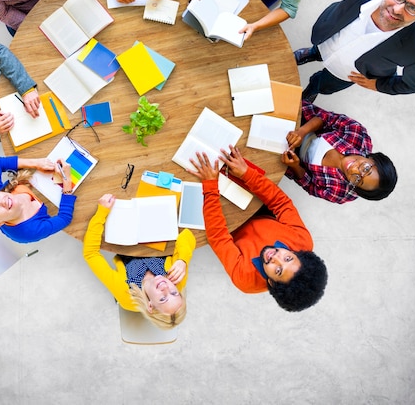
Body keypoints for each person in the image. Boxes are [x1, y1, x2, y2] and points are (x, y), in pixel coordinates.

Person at [188, 147, 327, 312]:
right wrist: (247, 173)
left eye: (278, 270)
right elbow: (280, 203)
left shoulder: (245, 280)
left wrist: (210, 186)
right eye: (288, 258)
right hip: (256, 207)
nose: (275, 257)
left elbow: (218, 236)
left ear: (272, 283)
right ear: (299, 254)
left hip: (225, 222)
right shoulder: (303, 242)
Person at [83, 194, 196, 329]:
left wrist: (101, 213)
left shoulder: (125, 293)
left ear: (150, 305)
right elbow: (186, 235)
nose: (165, 287)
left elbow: (91, 254)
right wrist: (183, 260)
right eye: (173, 293)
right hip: (153, 229)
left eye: (162, 298)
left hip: (123, 236)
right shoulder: (177, 281)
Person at [281, 100, 397, 203]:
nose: (353, 170)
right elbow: (326, 118)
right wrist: (301, 132)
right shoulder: (358, 134)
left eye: (357, 180)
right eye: (366, 168)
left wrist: (295, 166)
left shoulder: (340, 194)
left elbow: (309, 185)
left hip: (285, 157)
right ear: (373, 158)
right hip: (302, 121)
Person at [0, 156, 75, 244]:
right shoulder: (29, 232)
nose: (2, 201)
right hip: (54, 200)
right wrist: (67, 181)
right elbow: (64, 218)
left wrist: (35, 162)